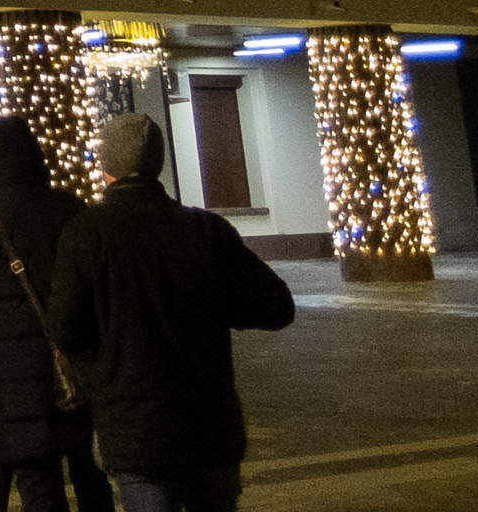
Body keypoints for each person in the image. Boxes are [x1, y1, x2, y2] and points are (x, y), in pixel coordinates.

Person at [48, 113, 294, 512]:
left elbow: (64, 328)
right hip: (210, 425)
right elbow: (276, 306)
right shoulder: (205, 230)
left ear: (106, 165)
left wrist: (104, 377)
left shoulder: (86, 233)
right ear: (157, 163)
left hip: (135, 430)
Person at [0, 116, 111, 512]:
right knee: (92, 479)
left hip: (14, 377)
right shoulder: (69, 207)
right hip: (78, 369)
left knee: (38, 486)